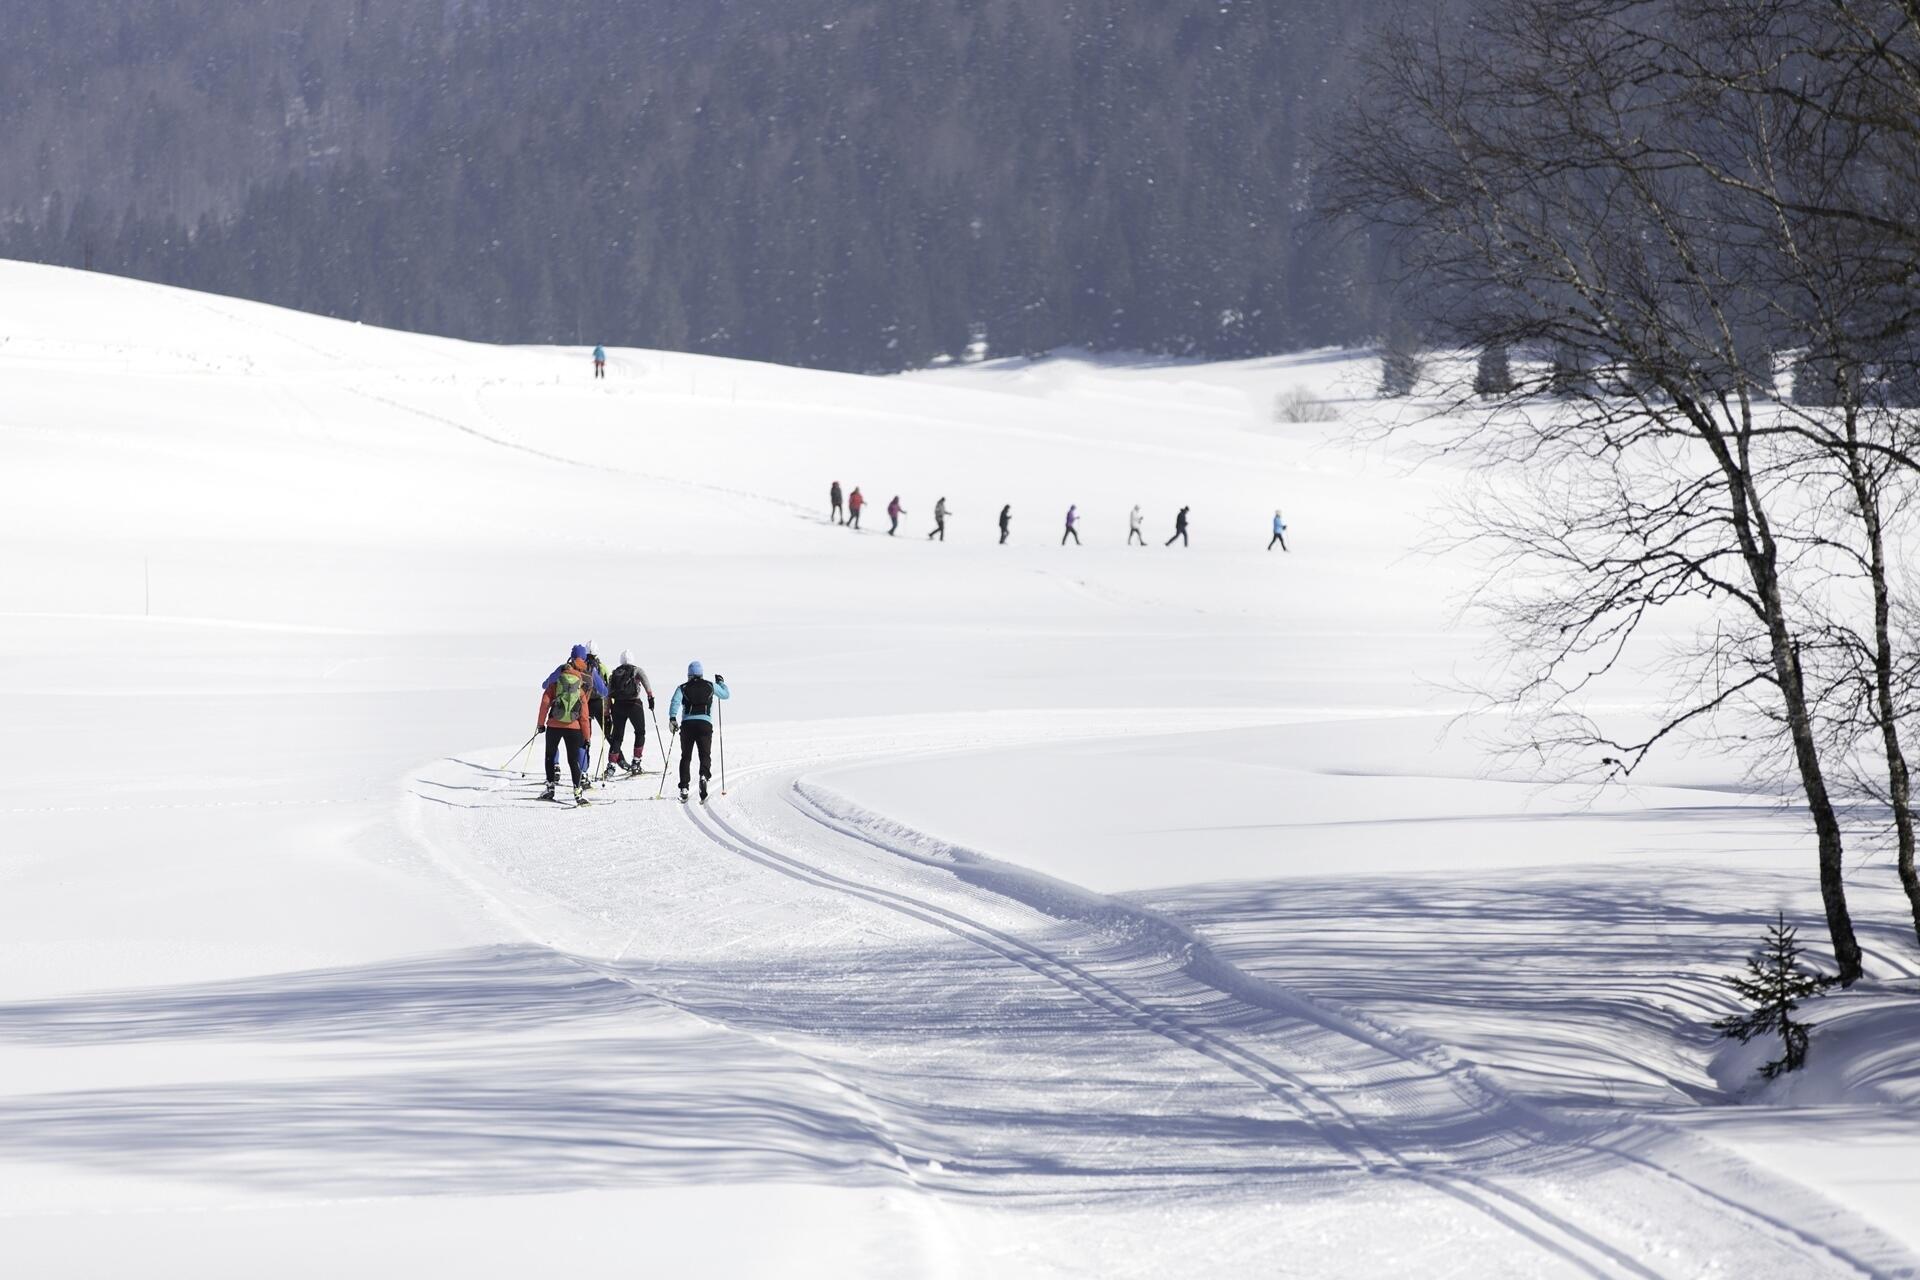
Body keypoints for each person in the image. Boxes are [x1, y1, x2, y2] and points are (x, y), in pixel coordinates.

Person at [537, 645, 595, 804]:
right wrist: (587, 736)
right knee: (573, 760)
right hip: (574, 728)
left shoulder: (556, 682)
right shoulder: (580, 686)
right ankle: (577, 792)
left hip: (554, 725)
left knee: (550, 756)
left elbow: (545, 703)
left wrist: (540, 724)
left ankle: (550, 789)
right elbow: (584, 715)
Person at [669, 661, 730, 804]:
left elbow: (675, 702)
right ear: (701, 673)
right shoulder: (710, 685)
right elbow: (725, 695)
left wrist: (672, 718)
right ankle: (703, 775)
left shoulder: (682, 687)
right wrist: (721, 683)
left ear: (689, 675)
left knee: (686, 756)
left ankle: (684, 788)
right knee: (704, 754)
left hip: (687, 725)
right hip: (705, 725)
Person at [606, 649, 656, 776]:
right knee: (640, 732)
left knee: (617, 736)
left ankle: (611, 766)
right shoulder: (637, 670)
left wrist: (607, 710)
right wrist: (650, 698)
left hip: (618, 706)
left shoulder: (615, 673)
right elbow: (646, 683)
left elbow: (607, 693)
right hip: (634, 705)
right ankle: (636, 763)